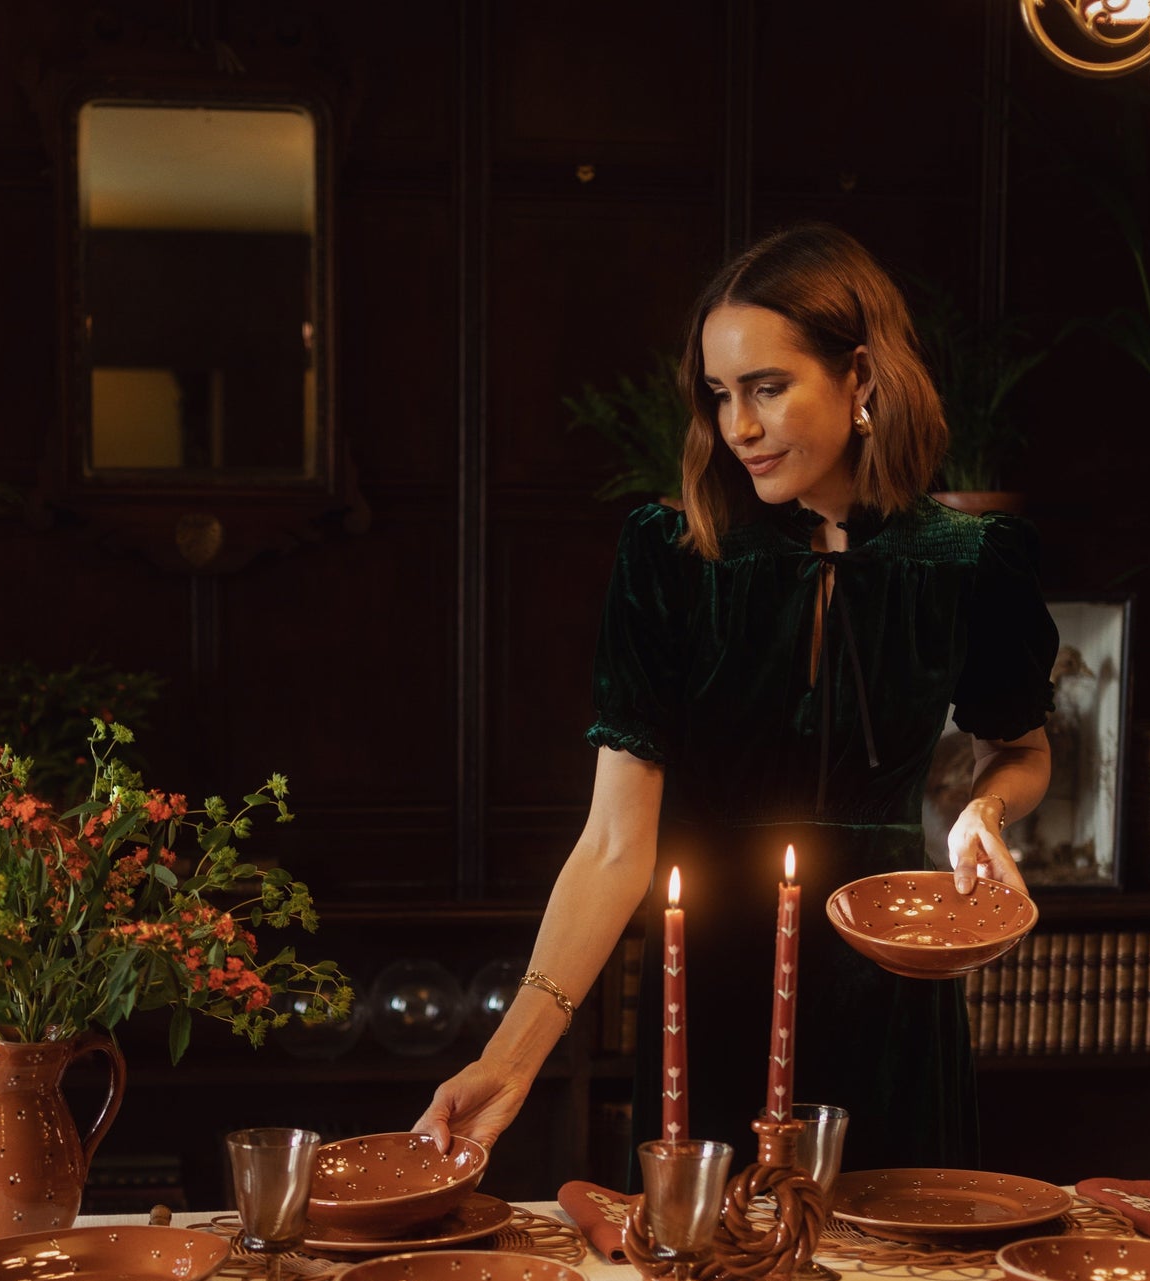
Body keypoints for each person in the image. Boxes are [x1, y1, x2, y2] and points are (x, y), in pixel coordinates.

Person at [417, 222, 1054, 1177]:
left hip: (890, 992)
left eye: (766, 387)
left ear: (862, 379)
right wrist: (507, 1063)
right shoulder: (672, 560)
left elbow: (1020, 748)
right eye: (720, 395)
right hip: (702, 986)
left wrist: (983, 811)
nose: (738, 428)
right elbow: (614, 844)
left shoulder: (969, 563)